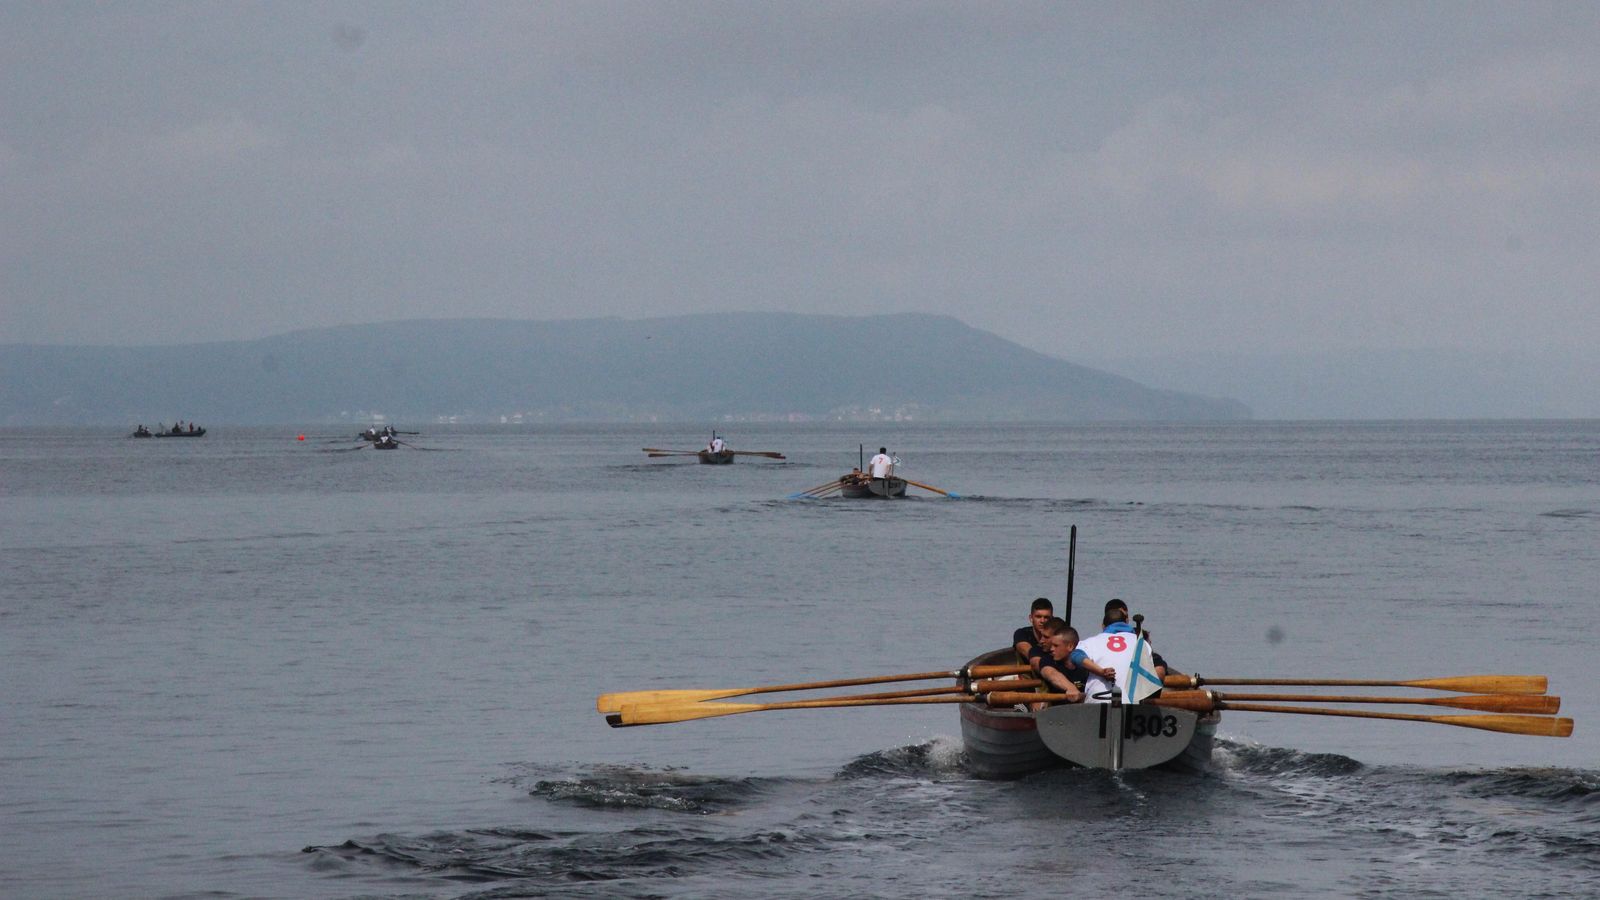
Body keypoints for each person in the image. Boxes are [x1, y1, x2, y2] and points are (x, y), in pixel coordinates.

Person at [1012, 598, 1053, 665]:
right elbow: (1028, 652)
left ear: (1052, 619)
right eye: (1038, 617)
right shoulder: (1021, 633)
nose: (1042, 621)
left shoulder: (1057, 636)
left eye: (1046, 617)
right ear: (1031, 618)